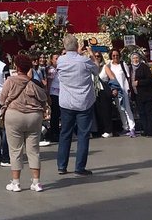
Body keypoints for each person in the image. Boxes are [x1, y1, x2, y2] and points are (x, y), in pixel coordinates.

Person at [0, 53, 47, 192]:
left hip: (14, 116)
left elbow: (2, 100)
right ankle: (36, 182)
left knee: (15, 150)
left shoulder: (10, 81)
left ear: (16, 67)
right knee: (33, 150)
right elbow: (43, 97)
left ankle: (16, 182)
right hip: (34, 117)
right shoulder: (34, 83)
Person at [56, 35, 99, 177]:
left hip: (67, 102)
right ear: (77, 46)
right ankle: (80, 167)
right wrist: (91, 55)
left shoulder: (60, 61)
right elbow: (97, 70)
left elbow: (67, 58)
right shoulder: (85, 61)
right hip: (83, 102)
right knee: (83, 135)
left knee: (65, 134)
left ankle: (62, 166)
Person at [104, 49, 136, 137]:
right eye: (113, 55)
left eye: (117, 55)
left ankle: (132, 127)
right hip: (116, 91)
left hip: (124, 90)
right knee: (120, 109)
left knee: (127, 109)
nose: (115, 57)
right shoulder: (109, 66)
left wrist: (129, 88)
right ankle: (125, 127)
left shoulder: (123, 64)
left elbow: (128, 77)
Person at [130, 52, 152, 137]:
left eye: (137, 58)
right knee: (141, 113)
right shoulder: (131, 68)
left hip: (146, 94)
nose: (135, 60)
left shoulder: (144, 67)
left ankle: (151, 131)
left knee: (149, 113)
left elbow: (149, 80)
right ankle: (145, 130)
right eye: (133, 58)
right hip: (137, 95)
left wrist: (139, 82)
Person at [93, 52, 114, 138]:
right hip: (95, 91)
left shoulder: (104, 67)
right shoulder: (92, 68)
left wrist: (114, 88)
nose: (97, 57)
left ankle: (108, 130)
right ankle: (100, 129)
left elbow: (112, 77)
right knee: (98, 112)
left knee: (106, 111)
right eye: (95, 56)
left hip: (104, 90)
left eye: (98, 56)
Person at [45, 53, 61, 143]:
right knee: (55, 114)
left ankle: (56, 132)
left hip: (60, 93)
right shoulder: (51, 70)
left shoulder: (59, 69)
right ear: (52, 60)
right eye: (56, 58)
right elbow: (49, 82)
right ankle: (54, 133)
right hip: (53, 93)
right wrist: (48, 95)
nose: (57, 60)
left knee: (57, 114)